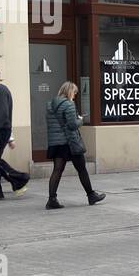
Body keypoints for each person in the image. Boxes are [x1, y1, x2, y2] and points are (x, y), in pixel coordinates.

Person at [45, 81, 106, 209]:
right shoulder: (69, 105)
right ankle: (91, 195)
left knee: (57, 170)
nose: (75, 96)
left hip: (56, 142)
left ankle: (52, 199)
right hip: (70, 143)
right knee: (82, 169)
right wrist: (80, 120)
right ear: (70, 92)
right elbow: (72, 125)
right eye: (75, 93)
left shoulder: (50, 105)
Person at [0, 68, 30, 198]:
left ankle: (20, 179)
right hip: (0, 130)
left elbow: (3, 113)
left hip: (1, 131)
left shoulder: (1, 91)